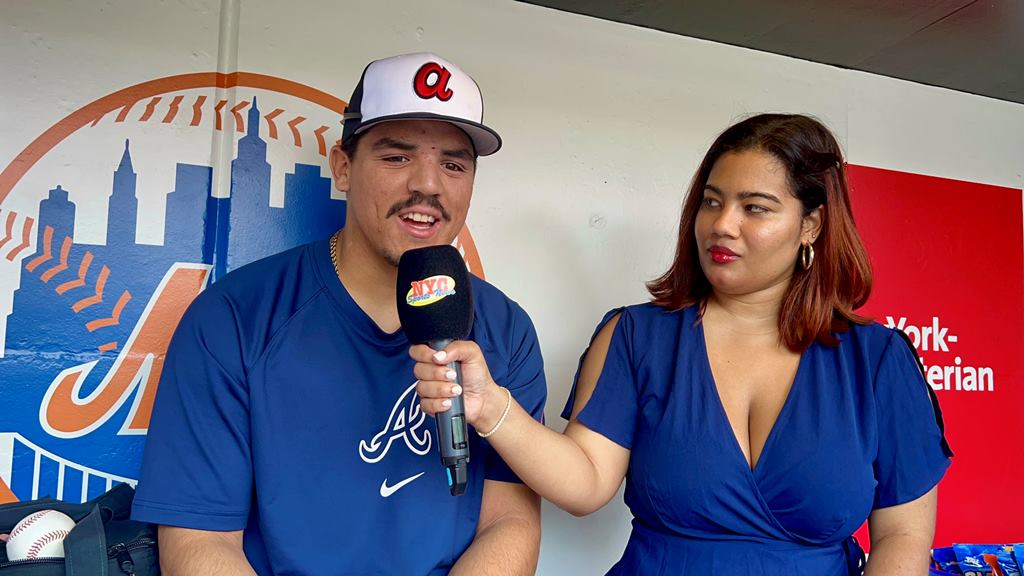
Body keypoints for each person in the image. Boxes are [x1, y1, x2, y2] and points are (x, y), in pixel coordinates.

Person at [414, 113, 952, 575]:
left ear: (810, 224)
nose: (723, 225)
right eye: (712, 203)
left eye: (755, 208)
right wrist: (491, 408)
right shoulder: (636, 336)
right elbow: (587, 481)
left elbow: (903, 535)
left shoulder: (878, 360)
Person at [131, 52, 547, 575]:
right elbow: (200, 542)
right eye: (397, 157)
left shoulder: (506, 329)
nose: (429, 185)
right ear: (343, 168)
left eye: (454, 164)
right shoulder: (234, 318)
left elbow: (509, 521)